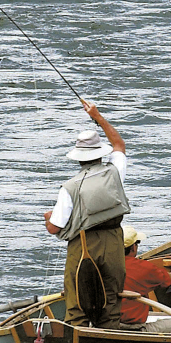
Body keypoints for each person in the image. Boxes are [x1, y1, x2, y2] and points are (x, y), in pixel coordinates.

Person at [44, 100, 130, 328]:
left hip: (82, 245)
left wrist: (47, 218)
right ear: (100, 153)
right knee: (111, 300)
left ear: (78, 157)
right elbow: (119, 144)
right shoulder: (115, 171)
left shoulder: (69, 187)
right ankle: (109, 341)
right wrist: (98, 116)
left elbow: (55, 228)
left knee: (77, 302)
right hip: (113, 241)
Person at [119, 225, 171, 333]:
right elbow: (166, 279)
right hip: (133, 328)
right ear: (133, 247)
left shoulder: (103, 266)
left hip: (105, 324)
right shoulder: (143, 267)